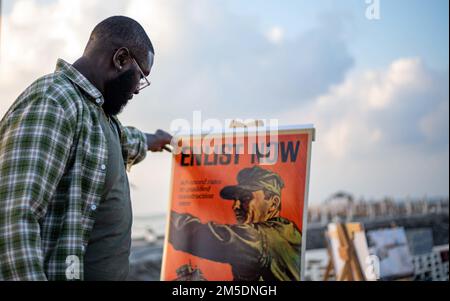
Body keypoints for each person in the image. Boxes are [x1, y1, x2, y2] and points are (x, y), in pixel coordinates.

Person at [0, 16, 172, 281]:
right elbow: (13, 218)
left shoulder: (99, 116)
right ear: (121, 59)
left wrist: (156, 140)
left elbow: (126, 141)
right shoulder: (54, 101)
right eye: (141, 76)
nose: (138, 89)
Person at [169, 166, 302, 281]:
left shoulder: (258, 239)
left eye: (245, 198)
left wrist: (168, 220)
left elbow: (192, 233)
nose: (235, 206)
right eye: (235, 199)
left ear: (273, 203)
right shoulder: (289, 231)